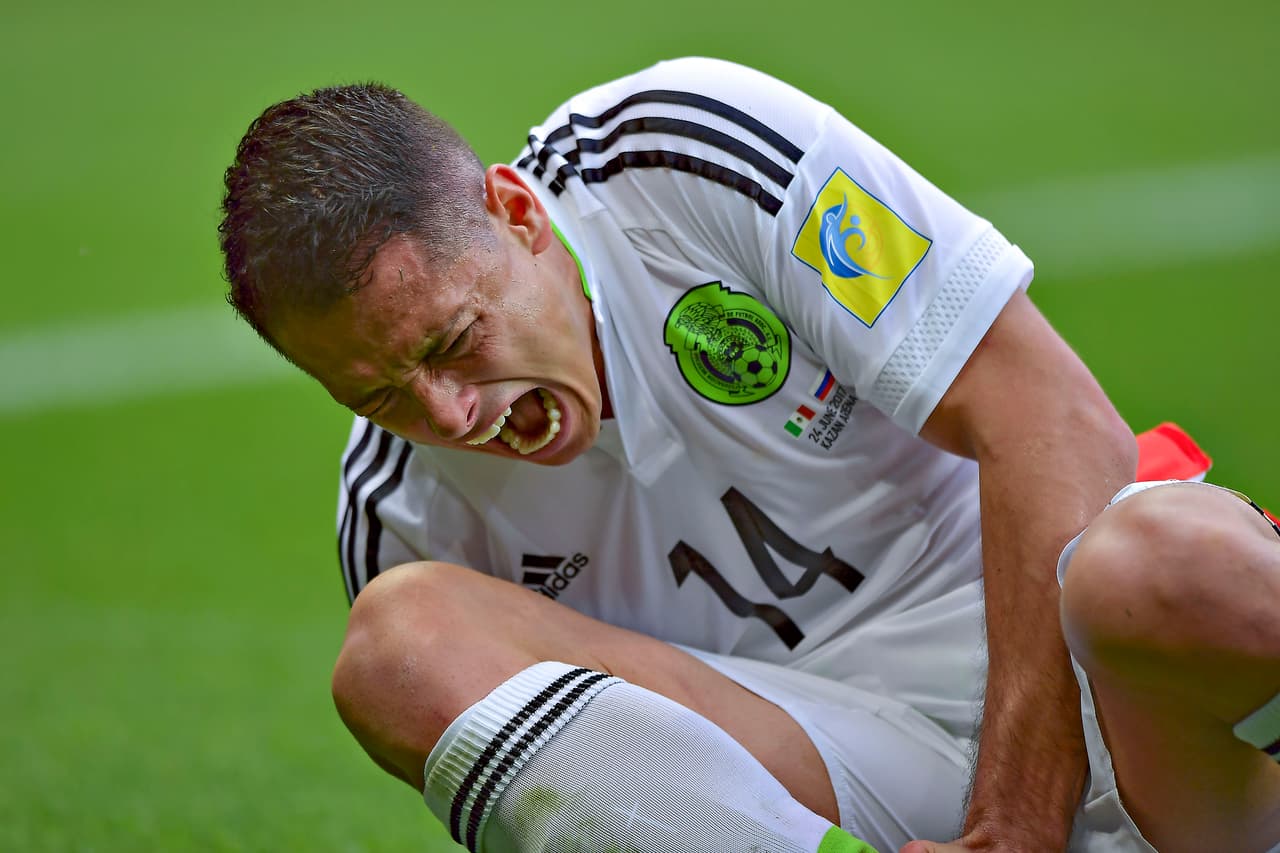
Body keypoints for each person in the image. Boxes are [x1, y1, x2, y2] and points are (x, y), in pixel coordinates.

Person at [217, 57, 1280, 852]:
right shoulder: (404, 513)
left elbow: (1043, 412)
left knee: (1159, 561)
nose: (447, 416)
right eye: (374, 395)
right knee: (399, 642)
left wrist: (1018, 816)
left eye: (453, 344)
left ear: (514, 212)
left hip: (1097, 673)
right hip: (854, 774)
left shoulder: (678, 157)